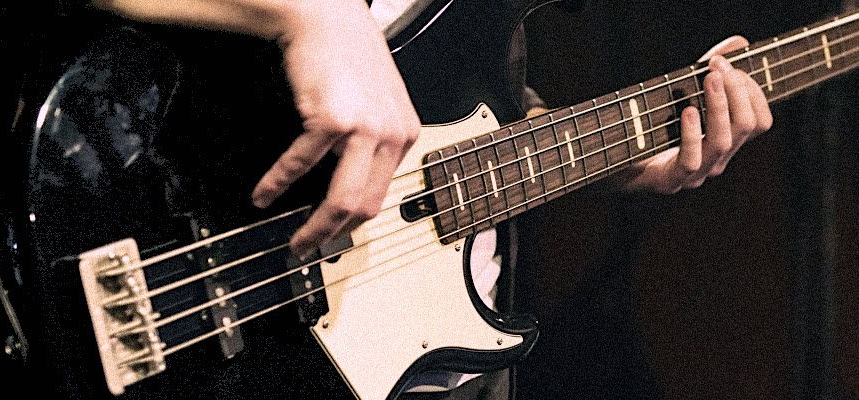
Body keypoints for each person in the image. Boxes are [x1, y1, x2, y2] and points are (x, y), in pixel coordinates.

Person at [91, 1, 774, 399]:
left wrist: (612, 157)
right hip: (157, 221)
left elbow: (464, 99)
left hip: (420, 361)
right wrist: (311, 14)